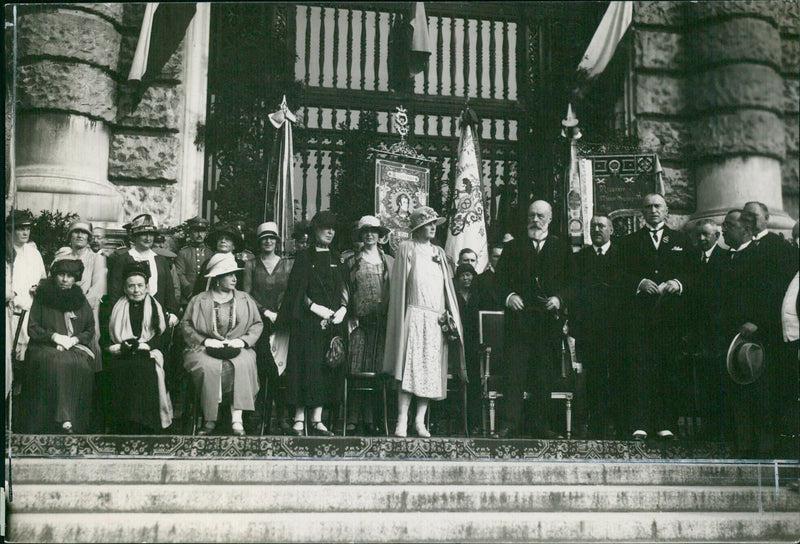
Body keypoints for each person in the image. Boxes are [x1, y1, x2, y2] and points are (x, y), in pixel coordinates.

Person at [383, 206, 466, 438]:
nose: (432, 228)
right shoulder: (407, 248)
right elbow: (399, 285)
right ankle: (402, 419)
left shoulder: (439, 252)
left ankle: (420, 421)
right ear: (418, 228)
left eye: (434, 224)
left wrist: (447, 314)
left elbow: (446, 288)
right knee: (409, 368)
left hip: (435, 318)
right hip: (414, 313)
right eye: (428, 224)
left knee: (429, 370)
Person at [617, 193, 693, 441]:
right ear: (642, 212)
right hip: (639, 319)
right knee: (639, 369)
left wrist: (678, 283)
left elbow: (693, 274)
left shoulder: (681, 240)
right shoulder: (629, 242)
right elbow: (616, 275)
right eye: (648, 207)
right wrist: (639, 282)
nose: (653, 210)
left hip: (670, 319)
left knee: (668, 369)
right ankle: (639, 423)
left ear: (667, 210)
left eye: (657, 206)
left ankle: (666, 423)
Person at [495, 200, 570, 439]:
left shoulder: (562, 248)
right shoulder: (514, 247)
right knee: (514, 373)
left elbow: (573, 282)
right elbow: (498, 282)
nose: (535, 220)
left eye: (540, 216)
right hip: (519, 321)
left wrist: (560, 298)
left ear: (549, 218)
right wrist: (509, 296)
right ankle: (510, 424)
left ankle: (540, 425)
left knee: (543, 374)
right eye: (531, 216)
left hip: (547, 322)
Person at [278, 210, 347, 437]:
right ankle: (299, 418)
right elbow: (296, 291)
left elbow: (346, 288)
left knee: (327, 368)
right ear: (315, 230)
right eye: (325, 228)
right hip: (306, 323)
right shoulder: (304, 257)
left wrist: (344, 309)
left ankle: (317, 419)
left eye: (333, 228)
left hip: (332, 324)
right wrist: (313, 308)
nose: (330, 232)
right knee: (303, 367)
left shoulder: (338, 258)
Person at [181, 253, 263, 436]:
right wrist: (204, 340)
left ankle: (237, 418)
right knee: (208, 366)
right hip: (202, 348)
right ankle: (210, 419)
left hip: (238, 347)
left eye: (235, 274)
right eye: (229, 274)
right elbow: (185, 324)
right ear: (218, 278)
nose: (235, 278)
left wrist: (242, 341)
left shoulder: (245, 299)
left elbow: (257, 324)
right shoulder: (199, 299)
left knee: (243, 363)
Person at [23, 258, 95, 434]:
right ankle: (61, 419)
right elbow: (32, 327)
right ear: (54, 277)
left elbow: (89, 329)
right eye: (61, 275)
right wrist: (54, 337)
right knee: (56, 362)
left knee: (82, 364)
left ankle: (75, 420)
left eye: (69, 276)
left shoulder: (80, 299)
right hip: (44, 346)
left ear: (75, 279)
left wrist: (75, 340)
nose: (64, 279)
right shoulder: (42, 297)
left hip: (73, 347)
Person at [567, 215, 623, 439]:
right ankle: (596, 424)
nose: (597, 230)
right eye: (593, 227)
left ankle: (619, 424)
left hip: (617, 327)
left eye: (601, 226)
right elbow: (574, 292)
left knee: (618, 375)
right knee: (594, 377)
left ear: (611, 230)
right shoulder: (581, 258)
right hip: (589, 328)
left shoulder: (621, 255)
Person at [105, 261, 173, 433]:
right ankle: (121, 423)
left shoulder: (156, 308)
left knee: (145, 369)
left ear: (147, 287)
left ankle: (146, 423)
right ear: (125, 288)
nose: (136, 290)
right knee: (119, 368)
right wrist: (114, 347)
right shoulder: (113, 307)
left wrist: (146, 345)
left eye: (140, 286)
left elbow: (163, 336)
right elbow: (105, 335)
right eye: (131, 286)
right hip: (122, 351)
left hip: (148, 352)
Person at [343, 215, 394, 435]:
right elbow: (344, 290)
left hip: (383, 324)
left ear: (380, 236)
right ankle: (352, 419)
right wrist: (348, 314)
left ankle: (373, 419)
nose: (370, 235)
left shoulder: (389, 261)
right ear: (361, 235)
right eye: (366, 232)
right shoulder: (351, 261)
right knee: (356, 369)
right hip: (358, 323)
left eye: (374, 231)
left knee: (378, 371)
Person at [242, 221, 294, 432]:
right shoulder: (251, 265)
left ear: (277, 241)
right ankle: (258, 417)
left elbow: (291, 292)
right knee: (261, 369)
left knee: (281, 370)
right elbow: (246, 295)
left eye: (272, 238)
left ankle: (282, 417)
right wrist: (265, 312)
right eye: (265, 238)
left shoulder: (288, 264)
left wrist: (281, 313)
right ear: (259, 242)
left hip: (282, 322)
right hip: (259, 322)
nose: (268, 242)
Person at [53, 220, 107, 368]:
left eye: (84, 233)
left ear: (89, 237)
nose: (80, 235)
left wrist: (73, 307)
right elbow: (52, 286)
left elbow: (97, 290)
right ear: (70, 236)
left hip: (85, 312)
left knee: (86, 354)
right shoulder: (60, 258)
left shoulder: (97, 259)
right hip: (59, 311)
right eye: (76, 232)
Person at [108, 214, 180, 323]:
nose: (148, 238)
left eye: (151, 234)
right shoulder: (123, 260)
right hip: (129, 316)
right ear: (135, 236)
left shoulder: (161, 261)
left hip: (158, 316)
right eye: (143, 234)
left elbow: (169, 290)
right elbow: (115, 291)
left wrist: (172, 312)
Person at [6, 209, 47, 360]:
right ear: (11, 230)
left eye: (28, 229)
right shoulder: (7, 253)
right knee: (10, 350)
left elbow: (43, 279)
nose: (25, 233)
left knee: (28, 353)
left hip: (31, 310)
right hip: (11, 310)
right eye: (21, 229)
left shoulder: (34, 254)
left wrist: (38, 288)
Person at [454, 263, 482, 433]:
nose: (466, 278)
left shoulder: (478, 296)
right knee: (458, 382)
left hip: (474, 345)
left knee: (474, 384)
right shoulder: (453, 297)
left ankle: (474, 423)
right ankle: (457, 422)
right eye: (463, 275)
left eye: (469, 275)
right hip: (456, 344)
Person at [192, 223, 247, 297]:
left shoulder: (240, 265)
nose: (223, 241)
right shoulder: (208, 263)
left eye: (227, 239)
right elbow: (199, 288)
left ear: (234, 246)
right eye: (220, 239)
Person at [175, 216, 213, 309]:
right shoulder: (183, 253)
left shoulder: (210, 253)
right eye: (196, 231)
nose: (199, 234)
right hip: (187, 297)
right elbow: (180, 274)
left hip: (206, 295)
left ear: (206, 233)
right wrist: (189, 291)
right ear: (190, 233)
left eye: (202, 231)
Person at [475, 244, 504, 310]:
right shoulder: (479, 280)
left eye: (502, 257)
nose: (500, 260)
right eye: (496, 256)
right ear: (490, 258)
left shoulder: (513, 279)